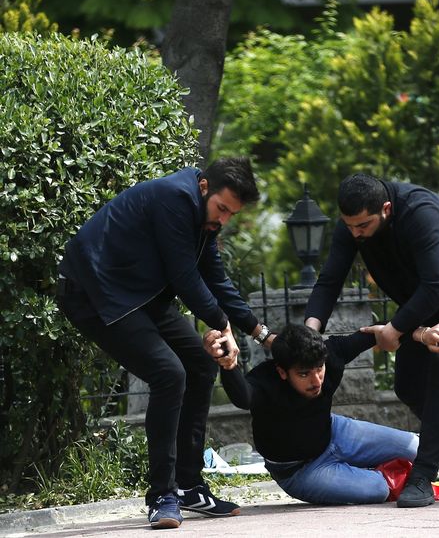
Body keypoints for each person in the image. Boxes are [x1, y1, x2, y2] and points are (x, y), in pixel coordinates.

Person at [57, 157, 277, 528]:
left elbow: (215, 279)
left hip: (139, 296)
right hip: (94, 293)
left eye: (231, 214)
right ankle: (162, 495)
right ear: (204, 187)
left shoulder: (205, 219)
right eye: (222, 208)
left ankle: (189, 485)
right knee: (169, 373)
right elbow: (184, 277)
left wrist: (262, 334)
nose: (224, 219)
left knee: (200, 364)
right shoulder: (175, 198)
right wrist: (222, 325)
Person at [304, 174, 439, 508]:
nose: (356, 234)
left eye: (363, 225)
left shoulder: (420, 212)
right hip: (427, 299)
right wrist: (310, 332)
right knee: (409, 385)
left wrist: (395, 329)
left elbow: (437, 286)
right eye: (349, 226)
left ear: (385, 209)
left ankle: (424, 474)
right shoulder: (353, 226)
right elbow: (330, 280)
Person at [205, 321, 439, 504]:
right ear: (282, 372)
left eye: (319, 369)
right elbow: (243, 397)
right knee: (378, 489)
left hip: (334, 432)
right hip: (300, 471)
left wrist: (422, 333)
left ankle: (363, 465)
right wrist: (228, 366)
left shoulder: (330, 353)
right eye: (304, 374)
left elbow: (380, 332)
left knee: (416, 447)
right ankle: (364, 472)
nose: (316, 380)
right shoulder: (265, 381)